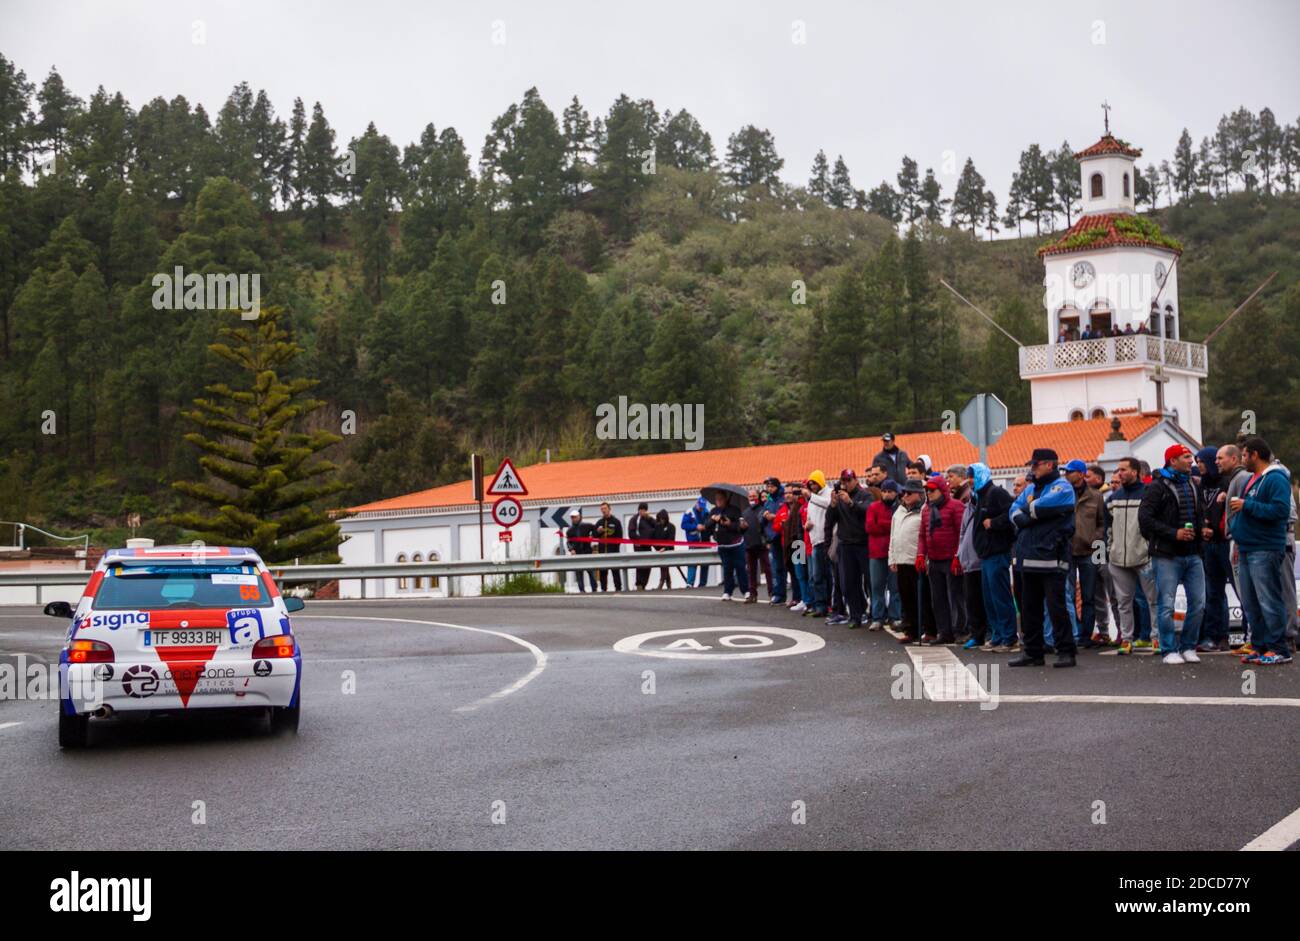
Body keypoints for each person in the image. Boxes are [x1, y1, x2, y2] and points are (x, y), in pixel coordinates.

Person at [1008, 448, 1078, 668]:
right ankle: (1033, 652)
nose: (1032, 469)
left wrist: (1028, 513)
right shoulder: (1031, 488)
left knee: (1057, 608)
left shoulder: (1063, 487)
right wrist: (1029, 514)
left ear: (1049, 464)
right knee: (1029, 609)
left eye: (1036, 465)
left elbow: (1041, 507)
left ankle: (1066, 651)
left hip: (1052, 558)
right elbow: (1014, 510)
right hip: (1028, 558)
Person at [1139, 444, 1207, 664]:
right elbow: (1145, 520)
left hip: (1193, 553)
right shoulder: (1156, 487)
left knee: (1198, 603)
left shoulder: (1193, 484)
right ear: (1172, 460)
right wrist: (1173, 534)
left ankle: (1188, 646)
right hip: (1167, 555)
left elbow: (1198, 514)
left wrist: (1202, 530)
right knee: (1166, 604)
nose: (1191, 461)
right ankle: (1168, 649)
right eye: (1186, 457)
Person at [1229, 437, 1295, 664]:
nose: (1243, 459)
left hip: (1265, 547)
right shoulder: (1254, 479)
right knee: (1251, 602)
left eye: (1245, 455)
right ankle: (1260, 645)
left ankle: (1279, 649)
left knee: (1268, 599)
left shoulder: (1275, 478)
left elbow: (1280, 510)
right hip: (1248, 547)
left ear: (1255, 455)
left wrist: (1247, 505)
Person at [1106, 457, 1156, 655]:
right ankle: (1127, 639)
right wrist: (1109, 551)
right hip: (1118, 559)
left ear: (1135, 472)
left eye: (1124, 470)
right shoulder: (1113, 498)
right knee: (1123, 602)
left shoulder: (1148, 494)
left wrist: (1149, 548)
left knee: (1153, 600)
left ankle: (1155, 638)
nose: (1120, 473)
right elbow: (1107, 528)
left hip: (1144, 556)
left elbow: (1153, 524)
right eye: (1118, 470)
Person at [973, 463, 1018, 652]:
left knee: (1000, 597)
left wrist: (994, 523)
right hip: (986, 554)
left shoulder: (996, 493)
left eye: (971, 475)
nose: (969, 480)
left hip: (997, 553)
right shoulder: (981, 496)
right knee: (990, 598)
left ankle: (1009, 638)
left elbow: (1011, 515)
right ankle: (998, 635)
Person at [1063, 459, 1106, 650]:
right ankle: (1074, 631)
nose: (1066, 475)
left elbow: (1102, 523)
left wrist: (1095, 541)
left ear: (1080, 474)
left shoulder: (1096, 496)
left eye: (1070, 472)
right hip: (1067, 550)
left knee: (1089, 595)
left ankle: (1086, 635)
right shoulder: (1063, 494)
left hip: (1089, 551)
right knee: (1069, 594)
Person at [918, 475, 965, 644]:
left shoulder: (955, 507)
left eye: (932, 490)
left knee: (956, 597)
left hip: (951, 559)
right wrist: (921, 555)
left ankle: (960, 630)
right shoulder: (926, 510)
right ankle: (944, 632)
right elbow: (922, 535)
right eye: (927, 490)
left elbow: (962, 533)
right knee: (937, 598)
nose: (929, 493)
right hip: (935, 560)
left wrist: (957, 557)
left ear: (941, 490)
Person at [1197, 446, 1235, 651]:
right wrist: (1202, 528)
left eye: (1202, 461)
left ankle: (1246, 635)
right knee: (1213, 592)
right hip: (1208, 543)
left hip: (1225, 542)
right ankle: (1214, 636)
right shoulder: (1201, 485)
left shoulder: (1227, 482)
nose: (1198, 465)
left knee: (1240, 590)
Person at [828, 469, 872, 629]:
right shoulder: (839, 497)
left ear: (855, 480)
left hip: (863, 543)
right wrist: (832, 506)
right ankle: (855, 615)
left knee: (870, 581)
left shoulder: (864, 494)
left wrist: (851, 503)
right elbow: (830, 520)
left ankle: (875, 613)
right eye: (843, 481)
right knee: (848, 583)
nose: (845, 484)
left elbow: (868, 510)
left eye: (848, 480)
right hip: (845, 544)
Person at [889, 480, 926, 643]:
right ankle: (910, 629)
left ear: (919, 494)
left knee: (921, 597)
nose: (905, 496)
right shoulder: (899, 511)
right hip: (902, 559)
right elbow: (893, 536)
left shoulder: (924, 511)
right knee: (906, 598)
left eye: (909, 493)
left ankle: (924, 628)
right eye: (904, 493)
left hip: (916, 560)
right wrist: (892, 557)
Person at [956, 468, 987, 649]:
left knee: (983, 600)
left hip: (980, 559)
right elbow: (962, 533)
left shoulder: (985, 503)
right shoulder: (968, 507)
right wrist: (959, 553)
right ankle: (977, 634)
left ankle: (989, 632)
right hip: (968, 561)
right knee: (972, 600)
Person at [866, 479, 901, 630]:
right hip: (876, 552)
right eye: (884, 491)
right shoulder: (873, 507)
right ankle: (877, 617)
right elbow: (870, 527)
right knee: (877, 587)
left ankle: (895, 617)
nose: (887, 494)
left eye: (890, 491)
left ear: (895, 493)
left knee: (895, 587)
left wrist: (881, 523)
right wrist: (889, 525)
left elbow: (899, 528)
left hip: (894, 553)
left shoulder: (899, 508)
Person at [701, 491, 748, 602]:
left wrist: (728, 524)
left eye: (720, 499)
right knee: (727, 569)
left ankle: (745, 590)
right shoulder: (713, 511)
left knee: (740, 567)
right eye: (717, 499)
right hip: (722, 545)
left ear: (726, 499)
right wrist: (713, 520)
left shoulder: (735, 510)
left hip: (735, 543)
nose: (718, 501)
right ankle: (727, 591)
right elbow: (706, 526)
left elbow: (740, 527)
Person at [775, 484, 810, 613]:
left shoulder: (801, 506)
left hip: (799, 543)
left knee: (802, 573)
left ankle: (806, 599)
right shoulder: (788, 508)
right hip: (792, 544)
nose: (792, 495)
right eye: (789, 493)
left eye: (795, 492)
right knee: (796, 573)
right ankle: (801, 598)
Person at [804, 471, 831, 618]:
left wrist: (811, 497)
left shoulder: (827, 493)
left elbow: (828, 504)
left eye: (813, 483)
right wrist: (806, 524)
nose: (811, 486)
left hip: (826, 541)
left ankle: (829, 604)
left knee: (828, 575)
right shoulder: (805, 503)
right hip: (806, 542)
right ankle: (816, 604)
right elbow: (807, 518)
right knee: (814, 576)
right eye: (810, 484)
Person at [741, 489, 772, 603]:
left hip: (762, 544)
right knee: (751, 571)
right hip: (749, 545)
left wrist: (768, 541)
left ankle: (771, 592)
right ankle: (752, 594)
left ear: (758, 497)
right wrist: (742, 527)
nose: (752, 498)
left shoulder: (763, 510)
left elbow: (768, 527)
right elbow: (741, 530)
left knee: (768, 569)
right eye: (750, 497)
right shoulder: (745, 512)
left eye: (754, 496)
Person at [761, 477, 787, 605]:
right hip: (773, 538)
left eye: (772, 487)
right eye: (768, 487)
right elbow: (762, 520)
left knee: (795, 567)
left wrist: (774, 517)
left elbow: (786, 515)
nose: (769, 489)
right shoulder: (768, 501)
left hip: (788, 538)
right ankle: (778, 594)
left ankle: (801, 597)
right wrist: (764, 516)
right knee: (777, 567)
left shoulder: (783, 498)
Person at [592, 502, 625, 592]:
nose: (603, 510)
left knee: (615, 571)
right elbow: (594, 536)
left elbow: (620, 537)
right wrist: (598, 532)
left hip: (613, 551)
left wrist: (615, 548)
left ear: (609, 509)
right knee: (603, 572)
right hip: (602, 551)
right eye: (602, 509)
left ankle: (618, 588)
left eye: (605, 508)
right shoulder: (599, 522)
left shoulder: (616, 521)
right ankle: (603, 589)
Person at [681, 497, 712, 589]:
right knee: (692, 562)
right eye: (700, 506)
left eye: (703, 507)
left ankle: (703, 583)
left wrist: (706, 527)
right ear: (697, 503)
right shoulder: (689, 512)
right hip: (693, 542)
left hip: (705, 541)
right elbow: (683, 525)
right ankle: (690, 583)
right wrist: (695, 527)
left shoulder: (707, 512)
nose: (701, 508)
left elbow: (710, 524)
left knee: (705, 563)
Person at [565, 509, 597, 593]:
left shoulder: (587, 525)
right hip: (578, 554)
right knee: (579, 574)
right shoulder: (570, 530)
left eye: (575, 517)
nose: (574, 519)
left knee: (591, 572)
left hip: (587, 552)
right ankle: (582, 590)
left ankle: (594, 589)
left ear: (579, 517)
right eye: (572, 517)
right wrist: (571, 549)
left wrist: (592, 536)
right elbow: (568, 542)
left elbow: (596, 530)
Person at [628, 502, 657, 590]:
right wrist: (639, 540)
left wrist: (649, 518)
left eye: (644, 510)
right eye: (641, 510)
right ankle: (639, 584)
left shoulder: (648, 519)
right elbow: (631, 533)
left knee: (648, 565)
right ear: (639, 510)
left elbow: (656, 526)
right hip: (639, 546)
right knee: (640, 565)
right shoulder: (634, 519)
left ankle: (644, 584)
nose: (642, 512)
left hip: (648, 546)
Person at [653, 509, 676, 590]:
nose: (662, 521)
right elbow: (654, 538)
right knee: (664, 567)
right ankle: (668, 583)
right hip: (659, 551)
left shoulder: (671, 527)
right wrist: (657, 548)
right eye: (660, 519)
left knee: (664, 566)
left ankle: (662, 582)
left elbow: (671, 540)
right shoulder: (657, 527)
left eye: (663, 519)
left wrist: (665, 548)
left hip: (668, 550)